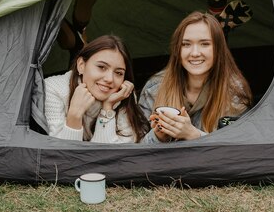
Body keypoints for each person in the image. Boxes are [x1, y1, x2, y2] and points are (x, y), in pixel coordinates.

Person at [139, 11, 252, 143]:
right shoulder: (154, 88)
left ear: (218, 49)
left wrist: (194, 135)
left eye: (204, 44)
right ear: (177, 50)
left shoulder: (234, 93)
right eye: (186, 44)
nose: (195, 53)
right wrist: (158, 137)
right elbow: (135, 153)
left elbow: (238, 152)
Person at [44, 35, 149, 143]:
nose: (109, 79)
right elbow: (61, 155)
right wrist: (75, 115)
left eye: (118, 73)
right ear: (81, 65)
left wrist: (108, 108)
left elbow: (111, 154)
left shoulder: (122, 93)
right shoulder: (55, 89)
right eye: (101, 67)